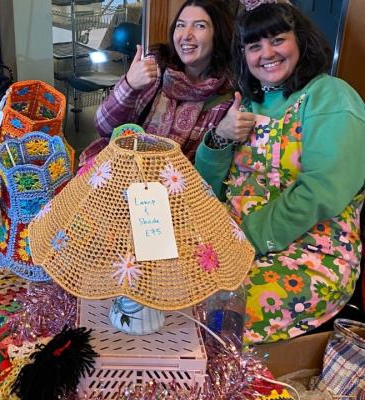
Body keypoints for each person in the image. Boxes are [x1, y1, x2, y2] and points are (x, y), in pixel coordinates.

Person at [195, 0, 365, 344]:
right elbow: (204, 187)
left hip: (311, 252)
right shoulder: (249, 103)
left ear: (300, 39)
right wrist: (219, 137)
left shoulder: (331, 97)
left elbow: (321, 191)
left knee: (210, 318)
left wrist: (243, 243)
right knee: (165, 289)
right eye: (254, 46)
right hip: (231, 240)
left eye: (277, 39)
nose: (266, 53)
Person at [86, 0, 235, 164]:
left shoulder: (226, 98)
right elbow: (103, 128)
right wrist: (129, 85)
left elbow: (207, 172)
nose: (186, 35)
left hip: (176, 186)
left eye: (200, 26)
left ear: (219, 34)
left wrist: (222, 136)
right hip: (120, 175)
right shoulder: (154, 69)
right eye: (180, 25)